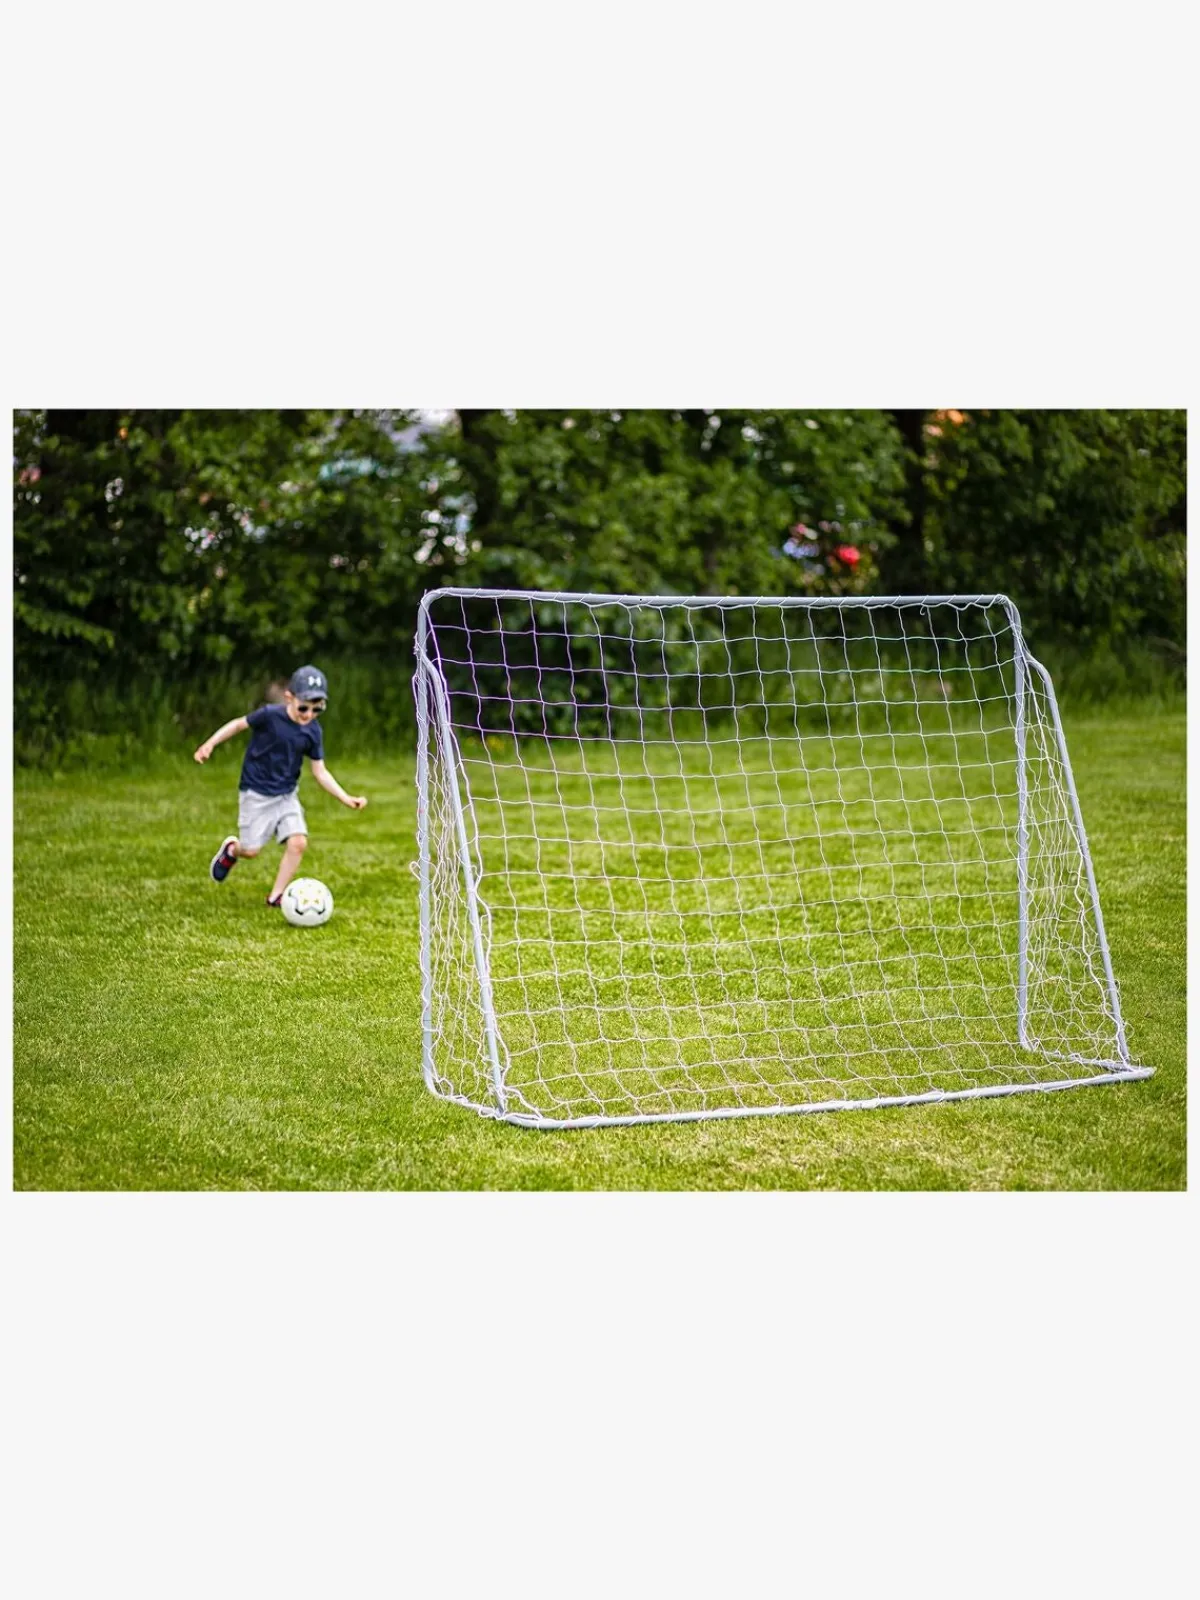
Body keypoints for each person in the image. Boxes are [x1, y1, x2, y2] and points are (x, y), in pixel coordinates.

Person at [194, 665, 367, 908]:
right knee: (251, 850)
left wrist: (345, 797)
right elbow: (238, 725)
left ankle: (276, 896)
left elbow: (319, 771)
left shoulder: (313, 732)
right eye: (304, 707)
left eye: (317, 709)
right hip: (255, 793)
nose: (309, 714)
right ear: (289, 698)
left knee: (298, 843)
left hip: (286, 795)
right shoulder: (269, 715)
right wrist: (210, 744)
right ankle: (233, 850)